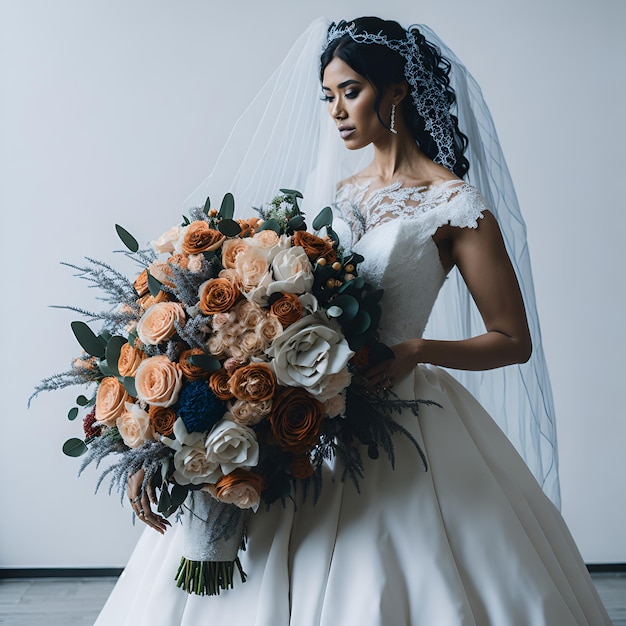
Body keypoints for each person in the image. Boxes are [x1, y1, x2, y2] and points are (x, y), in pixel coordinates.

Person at [96, 17, 611, 625]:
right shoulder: (338, 196)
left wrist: (417, 349)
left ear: (396, 91)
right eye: (329, 95)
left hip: (401, 411)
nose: (338, 111)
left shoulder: (455, 205)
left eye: (352, 90)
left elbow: (512, 339)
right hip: (307, 409)